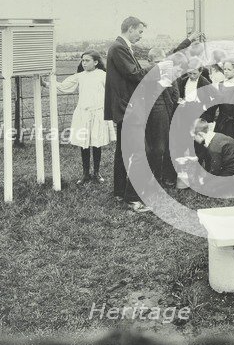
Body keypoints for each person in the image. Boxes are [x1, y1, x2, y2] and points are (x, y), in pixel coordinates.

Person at [104, 16, 171, 213]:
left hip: (125, 108)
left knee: (123, 152)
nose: (141, 36)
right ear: (131, 29)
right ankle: (133, 199)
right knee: (138, 152)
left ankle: (119, 191)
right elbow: (135, 75)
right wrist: (158, 68)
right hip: (128, 109)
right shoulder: (119, 48)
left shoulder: (120, 48)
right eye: (140, 32)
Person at [43, 50, 115, 185]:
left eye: (87, 60)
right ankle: (85, 173)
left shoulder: (103, 75)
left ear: (96, 62)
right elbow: (64, 86)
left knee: (96, 143)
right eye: (83, 60)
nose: (84, 63)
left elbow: (113, 91)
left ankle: (97, 173)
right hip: (83, 114)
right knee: (84, 144)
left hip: (98, 113)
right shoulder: (80, 76)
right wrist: (46, 84)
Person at [144, 47, 178, 188]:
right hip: (147, 113)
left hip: (163, 112)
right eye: (156, 62)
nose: (160, 65)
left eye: (162, 61)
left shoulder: (170, 73)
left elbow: (175, 94)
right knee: (149, 146)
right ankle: (153, 174)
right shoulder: (145, 73)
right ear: (149, 61)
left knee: (163, 146)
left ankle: (166, 176)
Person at [190, 118, 234, 195]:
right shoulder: (214, 136)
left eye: (193, 136)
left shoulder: (214, 146)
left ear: (200, 134)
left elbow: (215, 170)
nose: (192, 139)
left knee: (207, 189)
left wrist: (205, 179)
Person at [213, 59, 234, 146]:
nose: (226, 72)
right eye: (224, 69)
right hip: (221, 122)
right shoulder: (220, 85)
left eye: (229, 69)